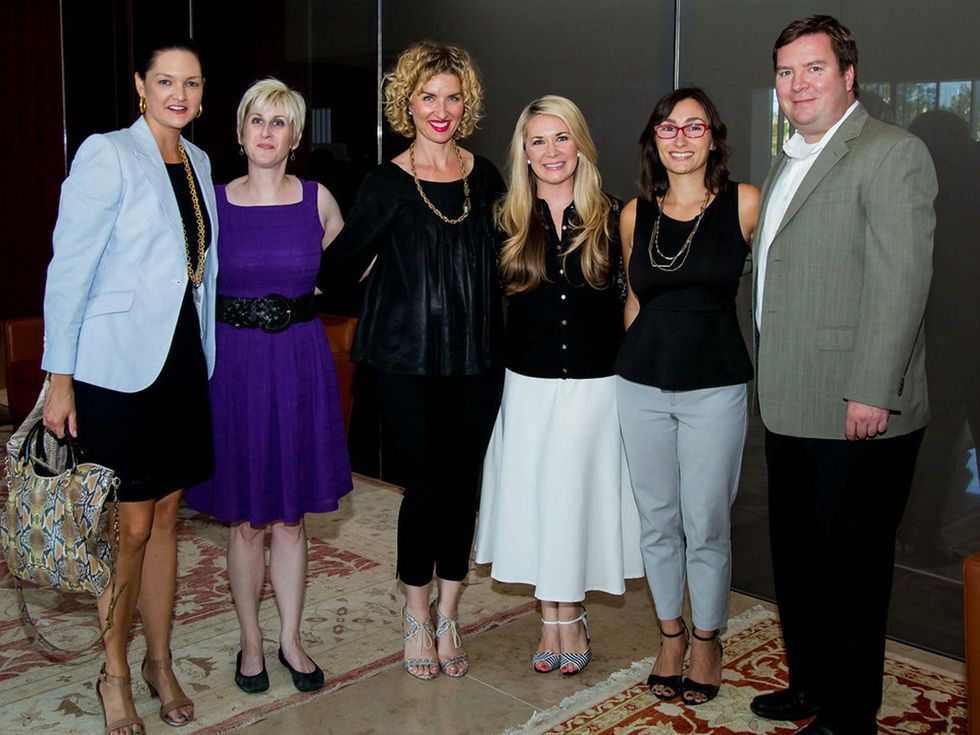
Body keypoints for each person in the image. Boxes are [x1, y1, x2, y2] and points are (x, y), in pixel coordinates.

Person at [749, 16, 936, 735]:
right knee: (798, 561)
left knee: (852, 572)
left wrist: (872, 387)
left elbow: (901, 282)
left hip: (856, 408)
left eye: (814, 69)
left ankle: (851, 712)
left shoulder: (893, 153)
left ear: (848, 75)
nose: (798, 85)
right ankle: (811, 684)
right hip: (791, 399)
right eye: (786, 72)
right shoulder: (789, 156)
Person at [41, 36, 217, 735]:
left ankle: (160, 659)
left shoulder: (200, 161)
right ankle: (114, 670)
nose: (181, 94)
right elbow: (69, 269)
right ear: (141, 85)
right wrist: (60, 376)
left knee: (169, 515)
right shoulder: (106, 153)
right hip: (115, 368)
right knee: (130, 524)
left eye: (194, 83)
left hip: (179, 361)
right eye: (167, 81)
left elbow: (199, 268)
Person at [317, 41, 505, 680]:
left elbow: (511, 261)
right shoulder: (384, 182)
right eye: (429, 97)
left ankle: (451, 612)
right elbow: (336, 266)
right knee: (424, 489)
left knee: (464, 488)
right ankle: (416, 612)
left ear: (466, 103)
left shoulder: (486, 178)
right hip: (406, 363)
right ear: (408, 103)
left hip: (479, 360)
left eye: (453, 97)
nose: (441, 110)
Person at [184, 78, 352, 695]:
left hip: (300, 366)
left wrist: (312, 294)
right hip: (236, 369)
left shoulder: (318, 199)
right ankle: (251, 641)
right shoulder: (213, 202)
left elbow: (349, 259)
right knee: (247, 521)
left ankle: (290, 638)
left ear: (296, 137)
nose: (265, 130)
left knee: (290, 518)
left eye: (279, 122)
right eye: (256, 119)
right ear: (238, 131)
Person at [474, 96, 644, 676]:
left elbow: (633, 302)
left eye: (561, 138)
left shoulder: (617, 214)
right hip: (527, 387)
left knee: (577, 502)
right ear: (523, 150)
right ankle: (552, 617)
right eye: (538, 140)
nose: (551, 151)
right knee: (541, 502)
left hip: (596, 389)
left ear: (581, 145)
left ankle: (569, 613)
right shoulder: (503, 219)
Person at [615, 88, 760, 706]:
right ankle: (670, 636)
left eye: (692, 126)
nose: (679, 137)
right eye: (667, 127)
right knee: (657, 522)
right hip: (641, 385)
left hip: (715, 387)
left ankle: (707, 639)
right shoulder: (633, 214)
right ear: (654, 139)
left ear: (713, 137)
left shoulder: (745, 204)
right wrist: (631, 362)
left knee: (705, 521)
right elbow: (634, 299)